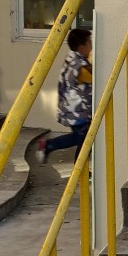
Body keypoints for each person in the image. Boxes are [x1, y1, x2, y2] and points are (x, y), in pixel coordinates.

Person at [35, 28, 93, 163]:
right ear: (81, 48)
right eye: (89, 42)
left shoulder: (71, 58)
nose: (91, 46)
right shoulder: (81, 67)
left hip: (70, 107)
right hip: (78, 111)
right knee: (85, 141)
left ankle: (47, 146)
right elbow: (96, 78)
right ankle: (79, 170)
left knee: (80, 138)